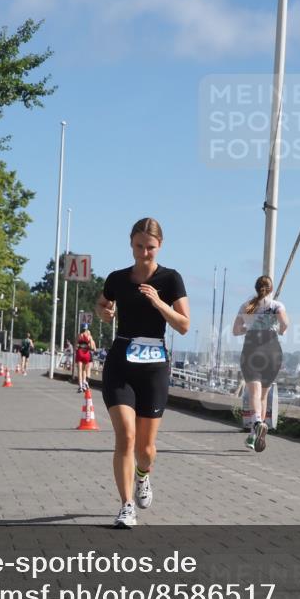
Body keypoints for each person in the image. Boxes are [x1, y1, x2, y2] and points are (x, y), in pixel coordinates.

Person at [96, 218, 189, 528]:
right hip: (121, 362)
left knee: (145, 450)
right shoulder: (118, 278)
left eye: (150, 247)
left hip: (153, 366)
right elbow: (103, 304)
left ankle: (143, 475)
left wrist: (158, 302)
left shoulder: (171, 279)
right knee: (125, 436)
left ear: (159, 246)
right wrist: (105, 311)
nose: (144, 253)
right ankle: (125, 506)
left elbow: (184, 325)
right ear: (131, 244)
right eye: (139, 246)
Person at [232, 275, 289, 452]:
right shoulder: (277, 305)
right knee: (263, 395)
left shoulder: (246, 306)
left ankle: (256, 422)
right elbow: (285, 323)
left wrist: (248, 327)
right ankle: (253, 435)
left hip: (252, 348)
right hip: (272, 350)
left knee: (254, 393)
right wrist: (280, 330)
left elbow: (235, 330)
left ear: (256, 288)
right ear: (270, 289)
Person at [74, 324, 96, 392]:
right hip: (86, 354)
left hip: (80, 353)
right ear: (87, 329)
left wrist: (79, 346)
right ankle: (84, 384)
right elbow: (92, 348)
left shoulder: (79, 335)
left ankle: (80, 386)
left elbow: (75, 347)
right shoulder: (89, 336)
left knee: (79, 370)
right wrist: (88, 346)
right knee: (84, 370)